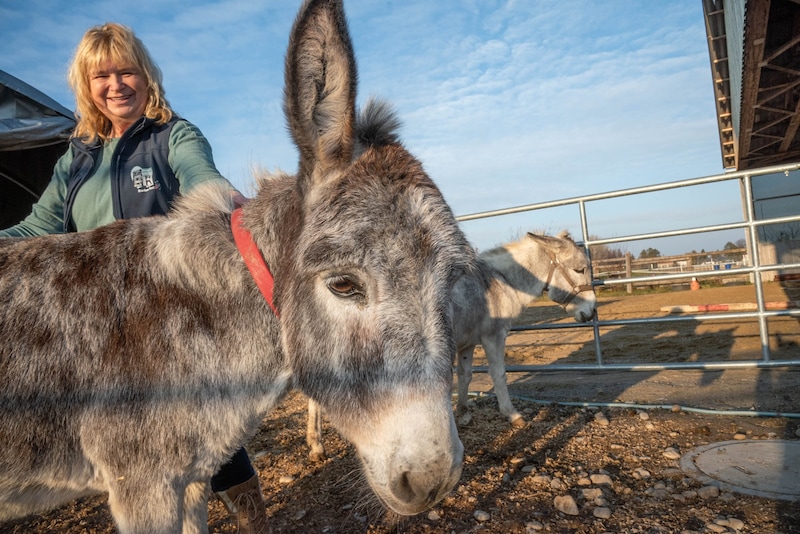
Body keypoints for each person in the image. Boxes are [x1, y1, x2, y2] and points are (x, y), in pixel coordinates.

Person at [0, 23, 268, 534]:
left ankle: (255, 519)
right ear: (86, 84)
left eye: (127, 71)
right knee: (147, 446)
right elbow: (37, 228)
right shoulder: (75, 159)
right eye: (102, 75)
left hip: (172, 321)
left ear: (147, 78)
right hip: (102, 330)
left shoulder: (174, 135)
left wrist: (231, 204)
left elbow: (202, 177)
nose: (116, 85)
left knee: (213, 434)